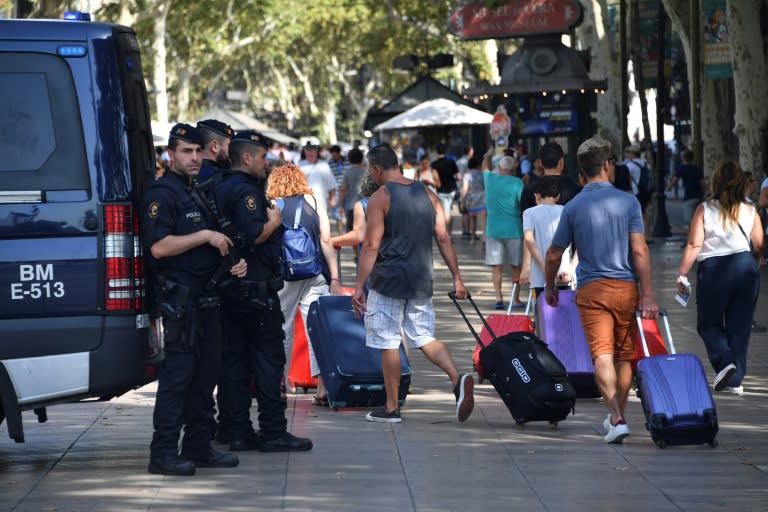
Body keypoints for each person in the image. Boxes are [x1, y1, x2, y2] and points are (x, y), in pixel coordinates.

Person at [142, 124, 247, 476]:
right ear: (171, 153)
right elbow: (159, 247)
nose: (194, 158)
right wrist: (203, 235)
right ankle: (163, 454)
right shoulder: (162, 193)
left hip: (209, 299)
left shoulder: (197, 191)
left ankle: (199, 447)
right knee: (178, 379)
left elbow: (216, 240)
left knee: (206, 378)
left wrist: (234, 261)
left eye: (198, 151)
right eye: (186, 151)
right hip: (181, 303)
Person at [544, 136, 659, 445]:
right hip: (626, 289)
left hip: (593, 291)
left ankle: (617, 417)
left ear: (582, 172)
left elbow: (555, 253)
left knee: (602, 356)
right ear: (608, 166)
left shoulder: (574, 206)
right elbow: (640, 252)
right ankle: (616, 416)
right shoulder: (629, 202)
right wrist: (647, 294)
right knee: (623, 357)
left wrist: (550, 286)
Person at [352, 143, 474, 424]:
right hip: (421, 278)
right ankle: (457, 378)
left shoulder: (380, 198)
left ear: (376, 169)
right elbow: (443, 238)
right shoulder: (429, 194)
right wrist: (457, 278)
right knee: (423, 337)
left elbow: (370, 245)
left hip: (389, 280)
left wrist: (359, 284)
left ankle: (392, 407)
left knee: (389, 341)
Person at [212, 131, 313, 453]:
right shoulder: (246, 192)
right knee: (268, 362)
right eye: (261, 157)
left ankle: (236, 430)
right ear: (246, 157)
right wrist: (274, 221)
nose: (265, 163)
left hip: (231, 290)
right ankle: (273, 431)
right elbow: (254, 235)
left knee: (234, 363)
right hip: (254, 291)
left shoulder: (220, 186)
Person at [677, 160, 764, 396]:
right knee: (740, 326)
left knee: (708, 324)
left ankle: (725, 362)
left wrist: (682, 272)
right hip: (746, 268)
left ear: (716, 181)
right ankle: (736, 380)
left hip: (715, 269)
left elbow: (695, 244)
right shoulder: (751, 209)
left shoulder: (705, 209)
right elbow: (758, 244)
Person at [267, 164, 341, 404]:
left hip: (285, 276)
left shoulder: (272, 204)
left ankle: (281, 383)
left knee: (283, 328)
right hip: (314, 272)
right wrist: (336, 277)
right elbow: (326, 240)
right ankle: (323, 387)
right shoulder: (314, 201)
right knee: (316, 329)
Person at [482, 149, 525, 309]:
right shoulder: (517, 183)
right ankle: (515, 299)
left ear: (500, 168)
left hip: (493, 230)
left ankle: (499, 299)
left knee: (496, 266)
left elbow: (484, 168)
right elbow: (523, 203)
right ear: (513, 170)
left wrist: (488, 155)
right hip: (514, 230)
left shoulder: (490, 180)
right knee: (516, 266)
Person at [520, 176, 576, 296]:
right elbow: (582, 243)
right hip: (565, 275)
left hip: (539, 278)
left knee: (541, 312)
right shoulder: (568, 211)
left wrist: (545, 268)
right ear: (558, 196)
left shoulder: (529, 213)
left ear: (537, 195)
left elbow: (529, 240)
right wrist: (571, 268)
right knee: (566, 313)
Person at [338, 147, 367, 257]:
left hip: (351, 207)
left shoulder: (348, 172)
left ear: (349, 159)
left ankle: (357, 256)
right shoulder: (368, 171)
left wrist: (340, 205)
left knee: (354, 232)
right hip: (367, 206)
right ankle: (365, 254)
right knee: (366, 232)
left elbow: (343, 189)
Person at [666, 149, 704, 227]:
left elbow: (675, 179)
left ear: (683, 158)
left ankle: (692, 237)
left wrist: (669, 187)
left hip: (689, 197)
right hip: (698, 196)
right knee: (698, 219)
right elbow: (702, 183)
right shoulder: (697, 168)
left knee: (689, 221)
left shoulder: (682, 168)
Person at [299, 143, 337, 215]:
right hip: (303, 203)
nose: (310, 152)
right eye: (308, 150)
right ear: (305, 152)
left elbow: (331, 184)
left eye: (312, 150)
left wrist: (333, 199)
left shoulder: (324, 165)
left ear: (316, 152)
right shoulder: (300, 165)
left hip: (320, 202)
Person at [431, 143, 459, 234]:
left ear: (436, 151)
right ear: (445, 151)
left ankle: (446, 232)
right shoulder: (451, 162)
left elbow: (434, 178)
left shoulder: (434, 164)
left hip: (441, 190)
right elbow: (458, 176)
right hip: (452, 189)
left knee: (445, 211)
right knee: (448, 210)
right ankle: (449, 232)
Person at [459, 154, 486, 242]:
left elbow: (465, 189)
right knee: (484, 219)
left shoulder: (467, 175)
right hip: (482, 197)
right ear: (478, 165)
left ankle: (473, 237)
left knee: (472, 218)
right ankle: (484, 238)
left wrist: (462, 200)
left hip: (472, 198)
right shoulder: (482, 174)